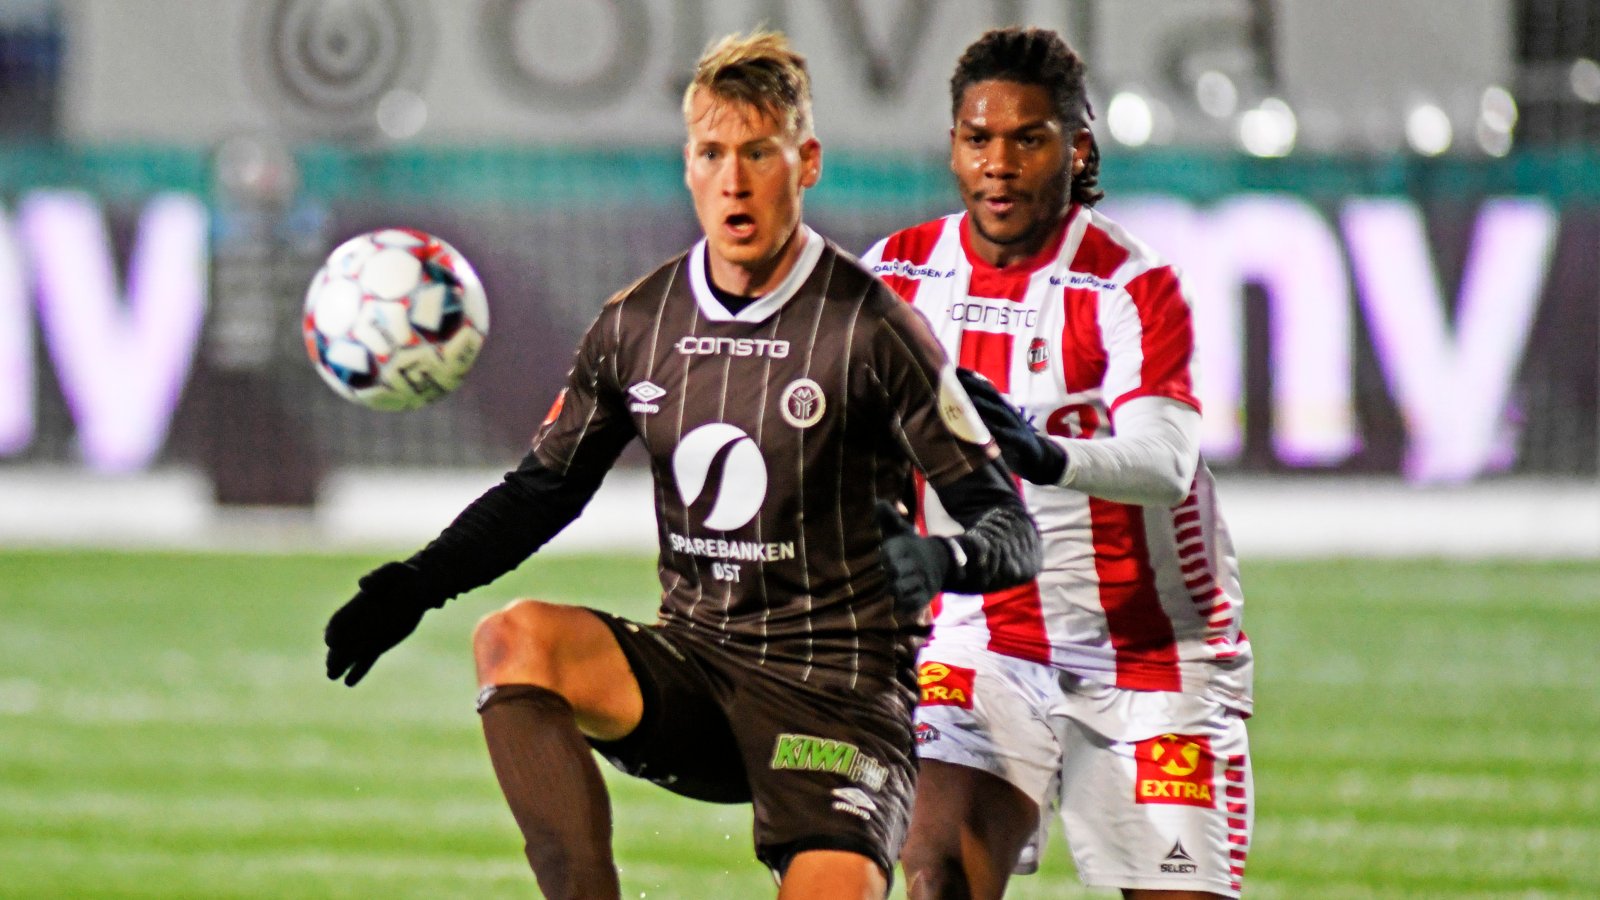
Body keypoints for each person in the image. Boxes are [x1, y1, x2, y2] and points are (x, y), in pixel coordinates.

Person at [321, 30, 1042, 900]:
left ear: (805, 162)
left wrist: (944, 561)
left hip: (839, 702)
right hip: (699, 668)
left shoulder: (873, 329)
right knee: (514, 639)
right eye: (711, 153)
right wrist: (415, 583)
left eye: (757, 153)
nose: (734, 180)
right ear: (688, 166)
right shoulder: (640, 321)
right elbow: (541, 493)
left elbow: (1010, 528)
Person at [862, 26, 1254, 900]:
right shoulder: (894, 277)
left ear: (1077, 151)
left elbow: (1165, 460)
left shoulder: (1131, 284)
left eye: (1028, 138)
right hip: (988, 638)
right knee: (933, 879)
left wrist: (1042, 451)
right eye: (978, 138)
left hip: (1155, 656)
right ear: (955, 148)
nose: (999, 163)